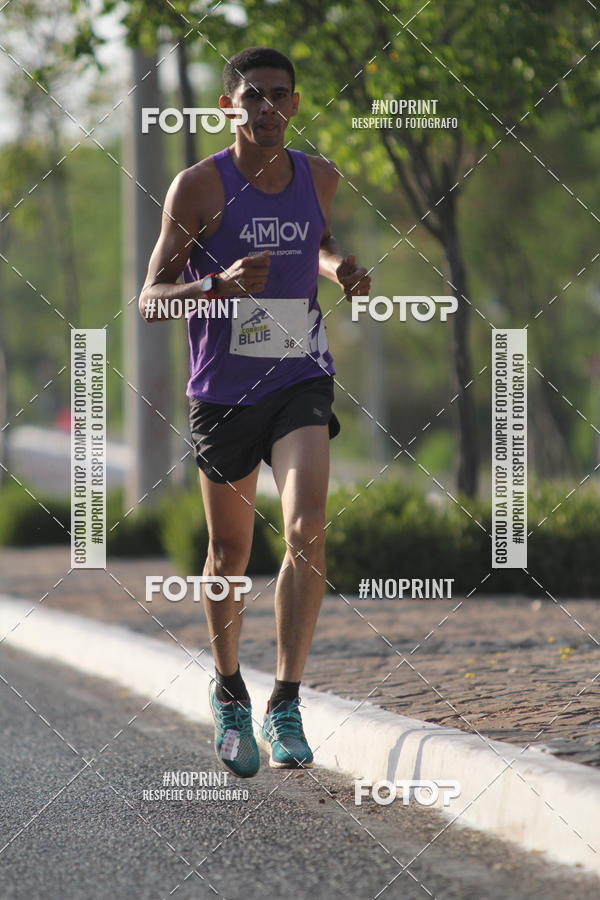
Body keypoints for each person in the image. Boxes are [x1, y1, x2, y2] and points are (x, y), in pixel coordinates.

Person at [139, 46, 370, 777]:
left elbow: (320, 238)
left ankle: (287, 701)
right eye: (253, 96)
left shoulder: (320, 176)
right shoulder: (197, 188)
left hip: (299, 375)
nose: (267, 107)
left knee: (305, 528)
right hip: (221, 392)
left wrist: (341, 269)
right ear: (228, 108)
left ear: (294, 106)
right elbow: (150, 297)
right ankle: (230, 690)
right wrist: (217, 286)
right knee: (229, 555)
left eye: (279, 96)